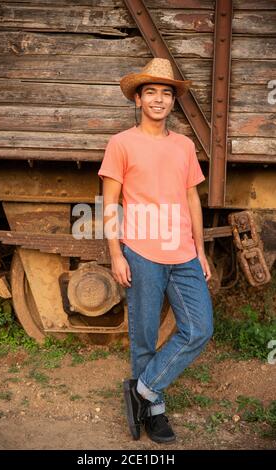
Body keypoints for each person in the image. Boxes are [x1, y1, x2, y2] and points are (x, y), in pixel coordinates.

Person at [98, 58, 213, 444]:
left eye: (166, 93)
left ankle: (142, 390)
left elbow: (191, 199)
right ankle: (155, 410)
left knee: (199, 328)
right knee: (144, 336)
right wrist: (116, 253)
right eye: (152, 92)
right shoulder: (121, 144)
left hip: (183, 254)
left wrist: (201, 250)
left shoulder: (183, 145)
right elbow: (110, 203)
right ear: (138, 100)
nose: (159, 99)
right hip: (141, 251)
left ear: (172, 102)